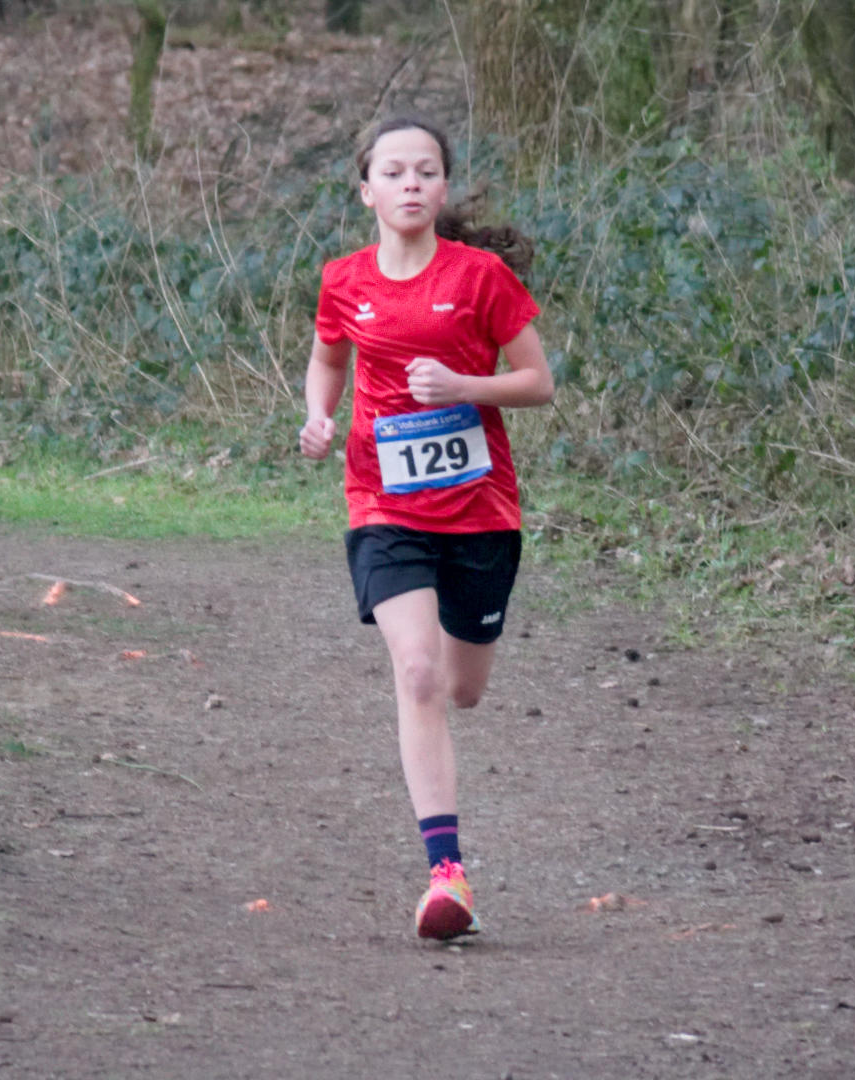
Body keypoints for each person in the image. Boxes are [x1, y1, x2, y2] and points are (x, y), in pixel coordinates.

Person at [299, 116, 555, 941]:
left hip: (481, 512)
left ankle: (453, 686)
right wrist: (317, 417)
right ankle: (446, 874)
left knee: (462, 688)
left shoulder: (480, 279)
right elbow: (329, 358)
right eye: (394, 172)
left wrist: (464, 385)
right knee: (416, 673)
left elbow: (537, 383)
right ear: (366, 189)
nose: (411, 183)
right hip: (384, 505)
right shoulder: (343, 280)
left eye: (427, 171)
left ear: (443, 189)